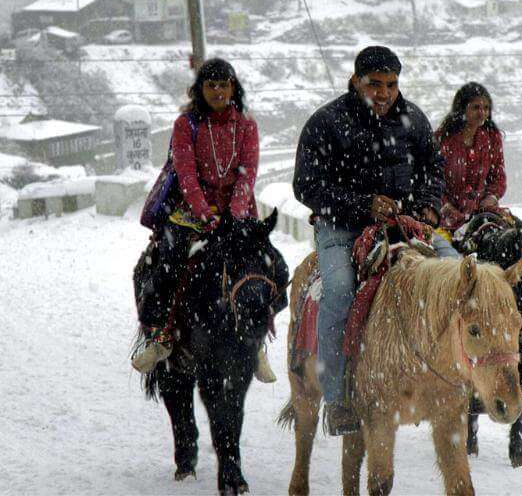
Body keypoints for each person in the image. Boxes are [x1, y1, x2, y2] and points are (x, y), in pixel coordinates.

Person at [293, 45, 459, 435]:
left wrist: (430, 206)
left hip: (405, 223)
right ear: (355, 81)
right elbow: (306, 186)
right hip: (341, 227)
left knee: (457, 275)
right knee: (339, 291)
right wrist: (362, 204)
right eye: (375, 84)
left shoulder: (412, 118)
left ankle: (460, 378)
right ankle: (337, 400)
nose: (384, 93)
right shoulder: (326, 122)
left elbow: (434, 168)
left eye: (391, 84)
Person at [132, 58, 275, 383]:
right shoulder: (186, 124)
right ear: (200, 89)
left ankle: (257, 344)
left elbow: (247, 173)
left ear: (233, 88)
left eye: (224, 84)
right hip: (191, 211)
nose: (218, 91)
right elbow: (186, 172)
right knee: (167, 261)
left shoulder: (246, 125)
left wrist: (234, 214)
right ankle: (161, 337)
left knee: (263, 269)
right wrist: (203, 211)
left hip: (237, 212)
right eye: (211, 85)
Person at [435, 82, 507, 235]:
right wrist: (447, 207)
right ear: (462, 109)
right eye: (476, 107)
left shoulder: (492, 137)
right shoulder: (443, 139)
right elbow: (433, 181)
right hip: (446, 217)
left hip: (481, 215)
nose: (482, 113)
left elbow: (498, 177)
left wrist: (491, 197)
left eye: (486, 108)